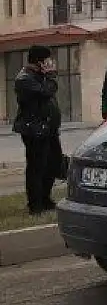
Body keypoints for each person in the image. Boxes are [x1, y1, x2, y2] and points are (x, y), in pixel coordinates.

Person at [13, 45, 64, 215]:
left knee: (52, 165)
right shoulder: (25, 79)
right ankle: (35, 205)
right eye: (48, 59)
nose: (51, 63)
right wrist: (50, 76)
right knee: (37, 167)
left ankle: (46, 198)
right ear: (40, 61)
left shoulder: (40, 76)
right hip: (34, 130)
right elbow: (46, 92)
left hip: (48, 129)